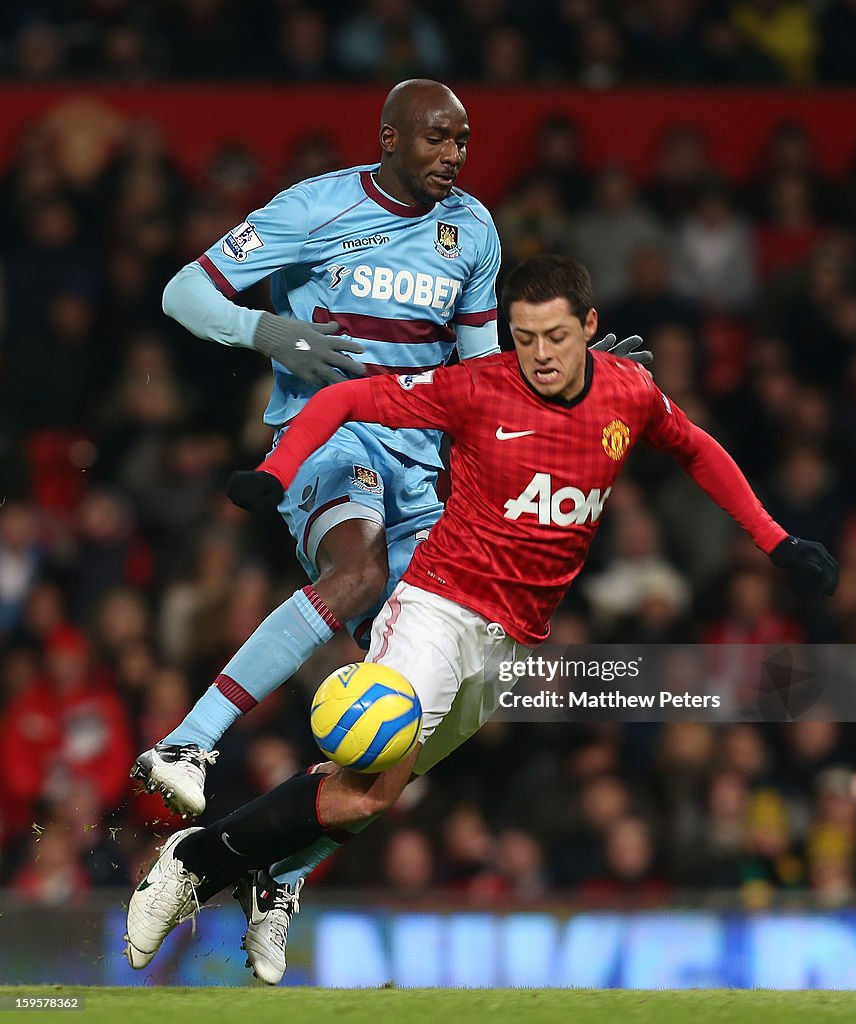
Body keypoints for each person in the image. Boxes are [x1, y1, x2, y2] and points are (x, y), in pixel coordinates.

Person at [125, 255, 837, 982]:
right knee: (365, 785)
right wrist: (277, 474)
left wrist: (776, 539)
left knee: (377, 792)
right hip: (437, 610)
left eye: (556, 336)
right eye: (523, 337)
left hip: (511, 645)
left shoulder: (629, 392)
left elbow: (695, 446)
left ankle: (274, 877)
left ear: (590, 327)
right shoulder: (475, 389)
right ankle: (198, 860)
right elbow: (343, 402)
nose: (540, 355)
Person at [133, 78, 647, 823]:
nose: (453, 154)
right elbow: (184, 292)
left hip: (424, 456)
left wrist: (576, 372)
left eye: (463, 140)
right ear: (390, 138)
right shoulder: (315, 207)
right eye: (437, 138)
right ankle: (188, 742)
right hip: (329, 431)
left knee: (433, 696)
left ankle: (279, 869)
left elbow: (478, 373)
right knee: (360, 569)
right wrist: (269, 332)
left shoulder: (472, 229)